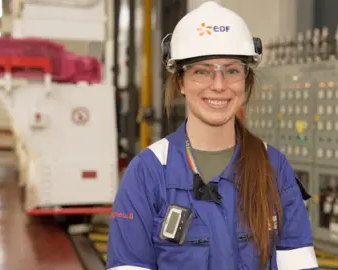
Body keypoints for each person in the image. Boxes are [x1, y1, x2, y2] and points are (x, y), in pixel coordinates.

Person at [106, 2, 318, 270]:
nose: (218, 86)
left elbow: (297, 263)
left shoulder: (274, 167)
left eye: (232, 71)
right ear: (181, 82)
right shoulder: (148, 172)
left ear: (246, 80)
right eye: (202, 71)